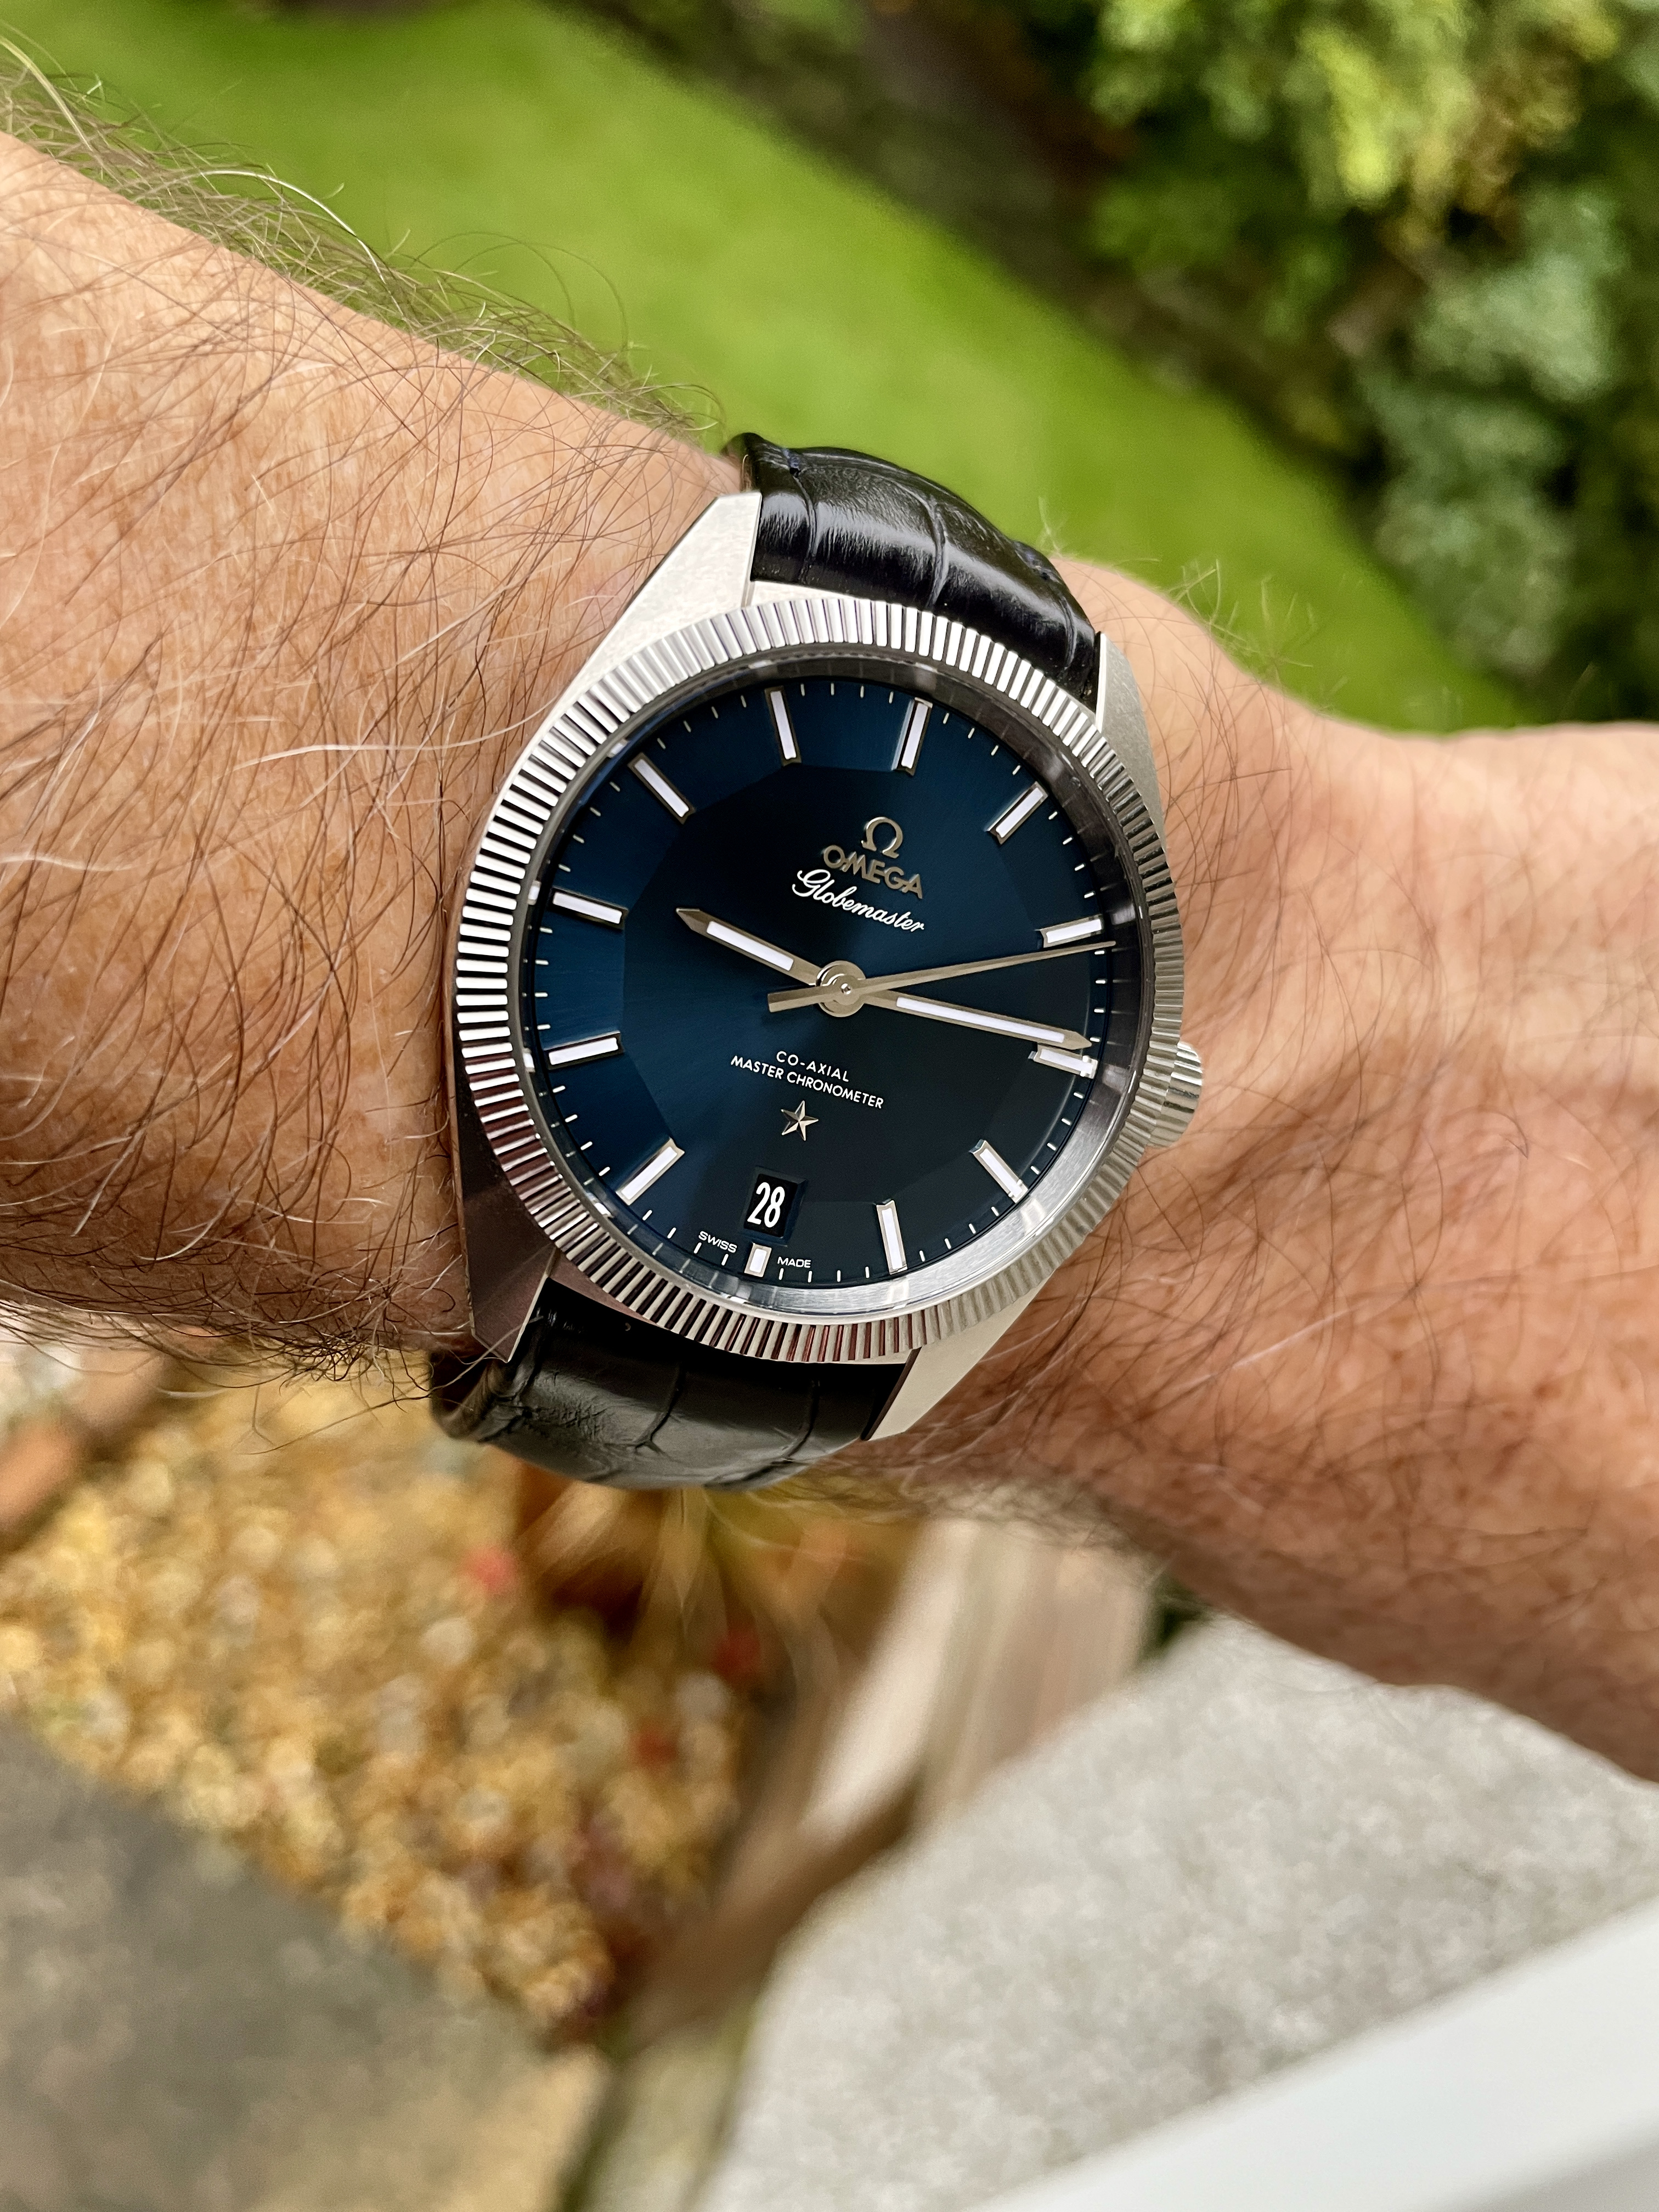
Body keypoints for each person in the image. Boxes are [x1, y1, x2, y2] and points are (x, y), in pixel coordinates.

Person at [3, 108, 1658, 1787]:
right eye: (830, 977)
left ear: (1140, 1091)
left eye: (860, 990)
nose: (842, 990)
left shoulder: (1038, 1116)